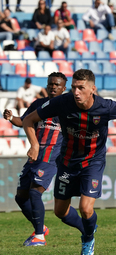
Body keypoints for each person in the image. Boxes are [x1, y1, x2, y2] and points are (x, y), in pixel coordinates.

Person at [23, 69, 116, 255]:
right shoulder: (62, 102)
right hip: (67, 162)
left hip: (92, 162)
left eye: (81, 88)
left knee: (85, 208)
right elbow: (28, 119)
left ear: (92, 89)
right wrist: (34, 144)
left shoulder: (106, 107)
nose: (76, 92)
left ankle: (88, 239)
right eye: (74, 87)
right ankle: (89, 228)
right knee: (59, 212)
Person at [4, 72, 67, 246]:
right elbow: (24, 121)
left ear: (64, 88)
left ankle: (39, 236)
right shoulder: (38, 104)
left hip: (50, 158)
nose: (53, 87)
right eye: (51, 84)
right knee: (20, 197)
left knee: (34, 192)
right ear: (47, 85)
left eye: (57, 85)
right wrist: (11, 118)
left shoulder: (68, 109)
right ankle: (41, 227)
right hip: (34, 156)